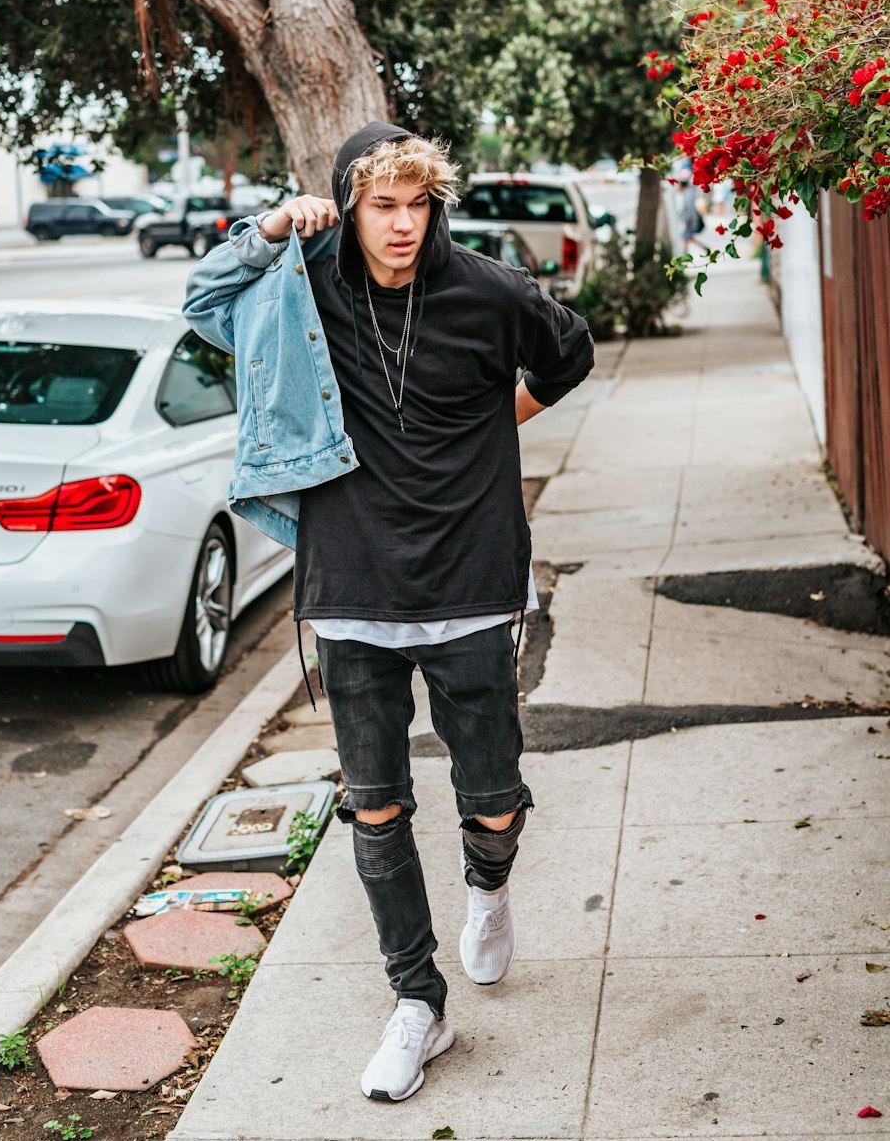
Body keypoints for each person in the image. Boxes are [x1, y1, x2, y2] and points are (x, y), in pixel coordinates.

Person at [183, 123, 594, 1102]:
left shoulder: (490, 292)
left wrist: (498, 424)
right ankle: (417, 1001)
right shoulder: (305, 287)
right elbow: (203, 302)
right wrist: (275, 226)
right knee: (374, 810)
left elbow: (568, 355)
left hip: (470, 581)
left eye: (417, 204)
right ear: (349, 205)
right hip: (353, 584)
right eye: (381, 205)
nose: (402, 224)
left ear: (434, 205)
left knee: (491, 793)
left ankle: (488, 889)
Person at [677, 177, 706, 252]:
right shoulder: (689, 193)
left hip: (690, 220)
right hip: (691, 219)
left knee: (686, 237)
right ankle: (703, 248)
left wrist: (686, 220)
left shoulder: (688, 194)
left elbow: (689, 208)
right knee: (687, 237)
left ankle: (684, 252)